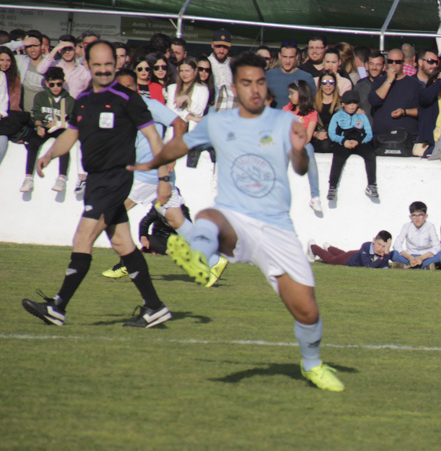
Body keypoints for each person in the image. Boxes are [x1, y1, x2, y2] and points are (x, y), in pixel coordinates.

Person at [130, 51, 345, 392]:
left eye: (260, 81)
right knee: (210, 216)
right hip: (236, 218)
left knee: (307, 311)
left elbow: (301, 168)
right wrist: (153, 165)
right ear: (235, 86)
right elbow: (181, 143)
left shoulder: (284, 123)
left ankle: (311, 365)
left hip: (277, 229)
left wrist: (301, 151)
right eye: (247, 82)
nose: (254, 89)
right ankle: (202, 257)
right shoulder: (218, 122)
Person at [21, 41, 171, 329]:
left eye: (108, 65)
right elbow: (71, 134)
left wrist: (164, 178)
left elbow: (155, 139)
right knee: (121, 243)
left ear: (115, 65)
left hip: (116, 179)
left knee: (83, 238)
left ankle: (58, 306)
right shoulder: (85, 100)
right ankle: (155, 307)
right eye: (97, 65)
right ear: (87, 65)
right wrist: (50, 154)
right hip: (97, 180)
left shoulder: (128, 99)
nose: (103, 70)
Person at [100, 69, 227, 288]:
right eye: (122, 87)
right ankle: (214, 260)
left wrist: (173, 155)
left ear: (136, 87)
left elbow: (179, 124)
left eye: (131, 86)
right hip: (149, 175)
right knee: (176, 220)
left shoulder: (150, 105)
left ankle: (128, 262)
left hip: (150, 175)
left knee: (111, 214)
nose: (127, 90)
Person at [21, 67, 73, 194]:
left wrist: (60, 123)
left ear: (64, 83)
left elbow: (73, 122)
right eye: (52, 84)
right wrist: (39, 127)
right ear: (46, 83)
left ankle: (62, 178)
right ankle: (28, 177)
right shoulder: (40, 96)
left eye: (59, 84)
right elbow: (37, 116)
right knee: (33, 142)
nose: (55, 87)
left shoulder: (70, 100)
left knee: (64, 145)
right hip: (45, 127)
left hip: (61, 127)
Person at [367, 48, 421, 149]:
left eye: (398, 62)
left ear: (403, 63)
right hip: (381, 138)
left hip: (406, 140)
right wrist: (388, 81)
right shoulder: (379, 82)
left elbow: (421, 110)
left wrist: (404, 112)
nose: (394, 64)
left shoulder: (415, 84)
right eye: (390, 61)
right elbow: (374, 101)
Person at [328, 90, 376, 200]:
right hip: (343, 142)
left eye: (355, 103)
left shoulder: (362, 117)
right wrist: (343, 141)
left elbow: (369, 134)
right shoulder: (337, 116)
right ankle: (332, 186)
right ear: (343, 104)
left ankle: (372, 185)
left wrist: (359, 141)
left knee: (370, 155)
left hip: (359, 141)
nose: (352, 106)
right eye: (349, 103)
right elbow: (332, 133)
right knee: (338, 158)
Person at [283, 80, 323, 212]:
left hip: (302, 143)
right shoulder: (286, 109)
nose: (289, 96)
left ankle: (315, 196)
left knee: (310, 154)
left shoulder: (312, 113)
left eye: (292, 93)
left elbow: (308, 135)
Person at [391, 201, 441, 269]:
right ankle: (424, 266)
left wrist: (421, 258)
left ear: (426, 216)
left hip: (425, 256)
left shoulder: (430, 226)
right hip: (410, 256)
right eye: (414, 215)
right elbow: (396, 245)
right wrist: (409, 257)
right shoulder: (406, 226)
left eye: (420, 215)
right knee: (392, 254)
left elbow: (437, 246)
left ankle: (407, 265)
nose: (417, 218)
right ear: (410, 217)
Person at [267, 43, 315, 109]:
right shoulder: (268, 75)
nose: (288, 61)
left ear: (297, 57)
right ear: (279, 56)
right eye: (285, 57)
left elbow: (312, 103)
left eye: (291, 57)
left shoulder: (306, 77)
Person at [307, 231, 392, 268]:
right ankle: (313, 247)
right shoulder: (366, 246)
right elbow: (368, 266)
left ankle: (329, 248)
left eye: (384, 246)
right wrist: (381, 259)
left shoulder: (385, 252)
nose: (381, 249)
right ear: (374, 240)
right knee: (332, 260)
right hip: (349, 259)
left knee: (341, 254)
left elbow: (385, 267)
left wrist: (386, 253)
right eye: (379, 244)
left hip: (354, 255)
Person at [207, 29, 236, 112]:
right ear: (212, 45)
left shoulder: (233, 66)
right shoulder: (205, 64)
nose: (221, 50)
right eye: (218, 46)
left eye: (225, 47)